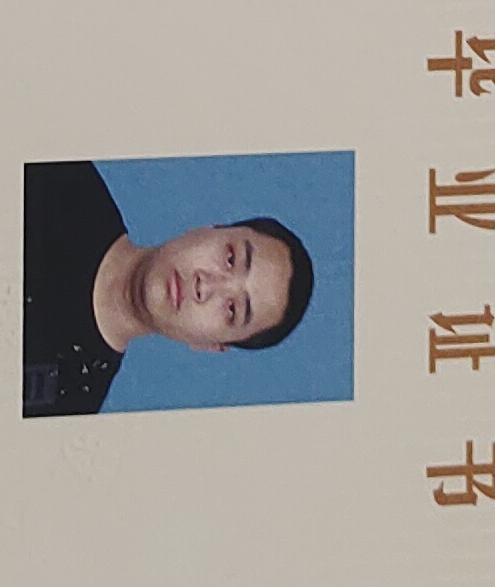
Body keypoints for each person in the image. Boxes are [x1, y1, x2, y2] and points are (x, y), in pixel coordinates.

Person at [19, 163, 316, 418]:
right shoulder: (56, 177)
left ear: (210, 345)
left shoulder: (67, 406)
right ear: (208, 229)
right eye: (230, 259)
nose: (206, 285)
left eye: (231, 310)